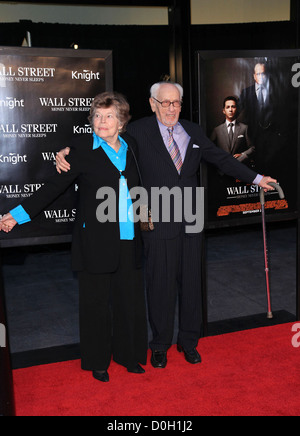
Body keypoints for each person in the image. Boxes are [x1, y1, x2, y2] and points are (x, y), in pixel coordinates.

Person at [55, 82, 277, 370]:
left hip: (190, 215)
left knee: (191, 283)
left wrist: (257, 179)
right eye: (165, 102)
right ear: (152, 103)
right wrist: (67, 150)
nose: (171, 108)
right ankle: (160, 344)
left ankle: (189, 341)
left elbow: (221, 157)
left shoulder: (193, 130)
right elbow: (103, 134)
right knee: (160, 283)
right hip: (155, 215)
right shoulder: (137, 131)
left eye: (176, 103)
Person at [0, 92, 148, 383]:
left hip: (129, 238)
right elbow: (52, 188)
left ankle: (129, 355)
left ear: (121, 123)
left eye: (109, 117)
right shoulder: (81, 149)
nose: (101, 122)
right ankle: (97, 361)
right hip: (95, 240)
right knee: (95, 303)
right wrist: (15, 215)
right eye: (97, 116)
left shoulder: (132, 147)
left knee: (128, 300)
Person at [210, 96, 254, 166]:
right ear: (223, 111)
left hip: (239, 169)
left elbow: (252, 148)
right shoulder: (217, 130)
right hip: (221, 171)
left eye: (233, 107)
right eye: (228, 107)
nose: (230, 110)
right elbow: (210, 150)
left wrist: (243, 155)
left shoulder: (244, 128)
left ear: (237, 109)